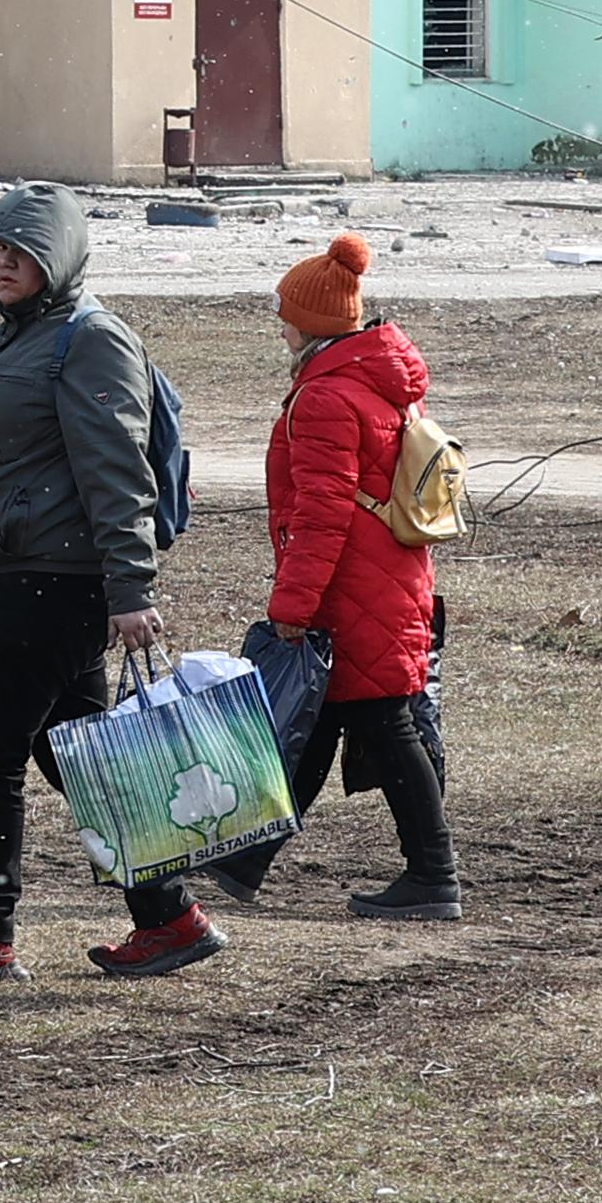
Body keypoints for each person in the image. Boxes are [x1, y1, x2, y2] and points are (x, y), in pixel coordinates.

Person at [0, 185, 224, 984]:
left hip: (55, 584)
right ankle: (169, 917)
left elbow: (117, 472)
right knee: (82, 758)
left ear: (59, 258)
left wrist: (131, 587)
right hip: (20, 579)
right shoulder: (20, 339)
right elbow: (5, 475)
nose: (4, 262)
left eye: (22, 250)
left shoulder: (88, 338)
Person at [240, 230, 462, 920]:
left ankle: (434, 876)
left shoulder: (327, 397)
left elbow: (323, 511)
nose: (278, 324)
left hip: (353, 586)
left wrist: (292, 603)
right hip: (387, 577)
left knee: (381, 723)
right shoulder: (378, 380)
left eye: (285, 312)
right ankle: (241, 860)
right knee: (322, 720)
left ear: (310, 322)